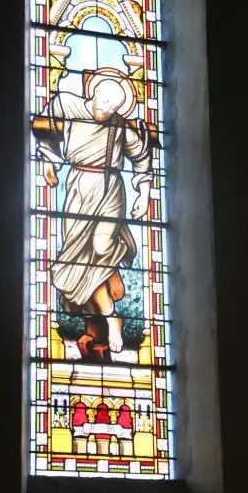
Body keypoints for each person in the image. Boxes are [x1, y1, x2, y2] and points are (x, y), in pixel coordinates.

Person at [34, 74, 153, 359]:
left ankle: (112, 321)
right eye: (106, 102)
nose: (109, 109)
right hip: (77, 188)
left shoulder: (119, 126)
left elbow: (141, 155)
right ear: (94, 93)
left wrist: (145, 194)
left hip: (109, 188)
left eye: (115, 106)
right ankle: (101, 318)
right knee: (79, 260)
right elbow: (46, 126)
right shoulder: (68, 104)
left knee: (100, 247)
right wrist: (49, 161)